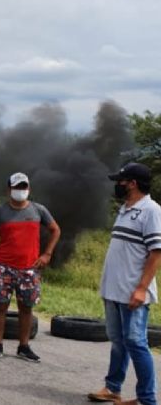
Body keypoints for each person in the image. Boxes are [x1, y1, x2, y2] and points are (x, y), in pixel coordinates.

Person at [88, 163, 160, 405]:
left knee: (137, 343)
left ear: (133, 183)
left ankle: (147, 399)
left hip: (133, 292)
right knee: (118, 342)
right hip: (114, 290)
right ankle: (112, 387)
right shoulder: (125, 210)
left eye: (121, 181)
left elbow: (156, 253)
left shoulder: (151, 210)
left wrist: (141, 289)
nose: (117, 185)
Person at [0, 172, 60, 362]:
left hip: (29, 268)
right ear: (9, 189)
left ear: (29, 189)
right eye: (17, 187)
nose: (21, 191)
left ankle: (24, 346)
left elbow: (55, 230)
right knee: (0, 306)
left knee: (26, 308)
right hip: (3, 266)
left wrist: (47, 254)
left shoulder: (38, 210)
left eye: (24, 187)